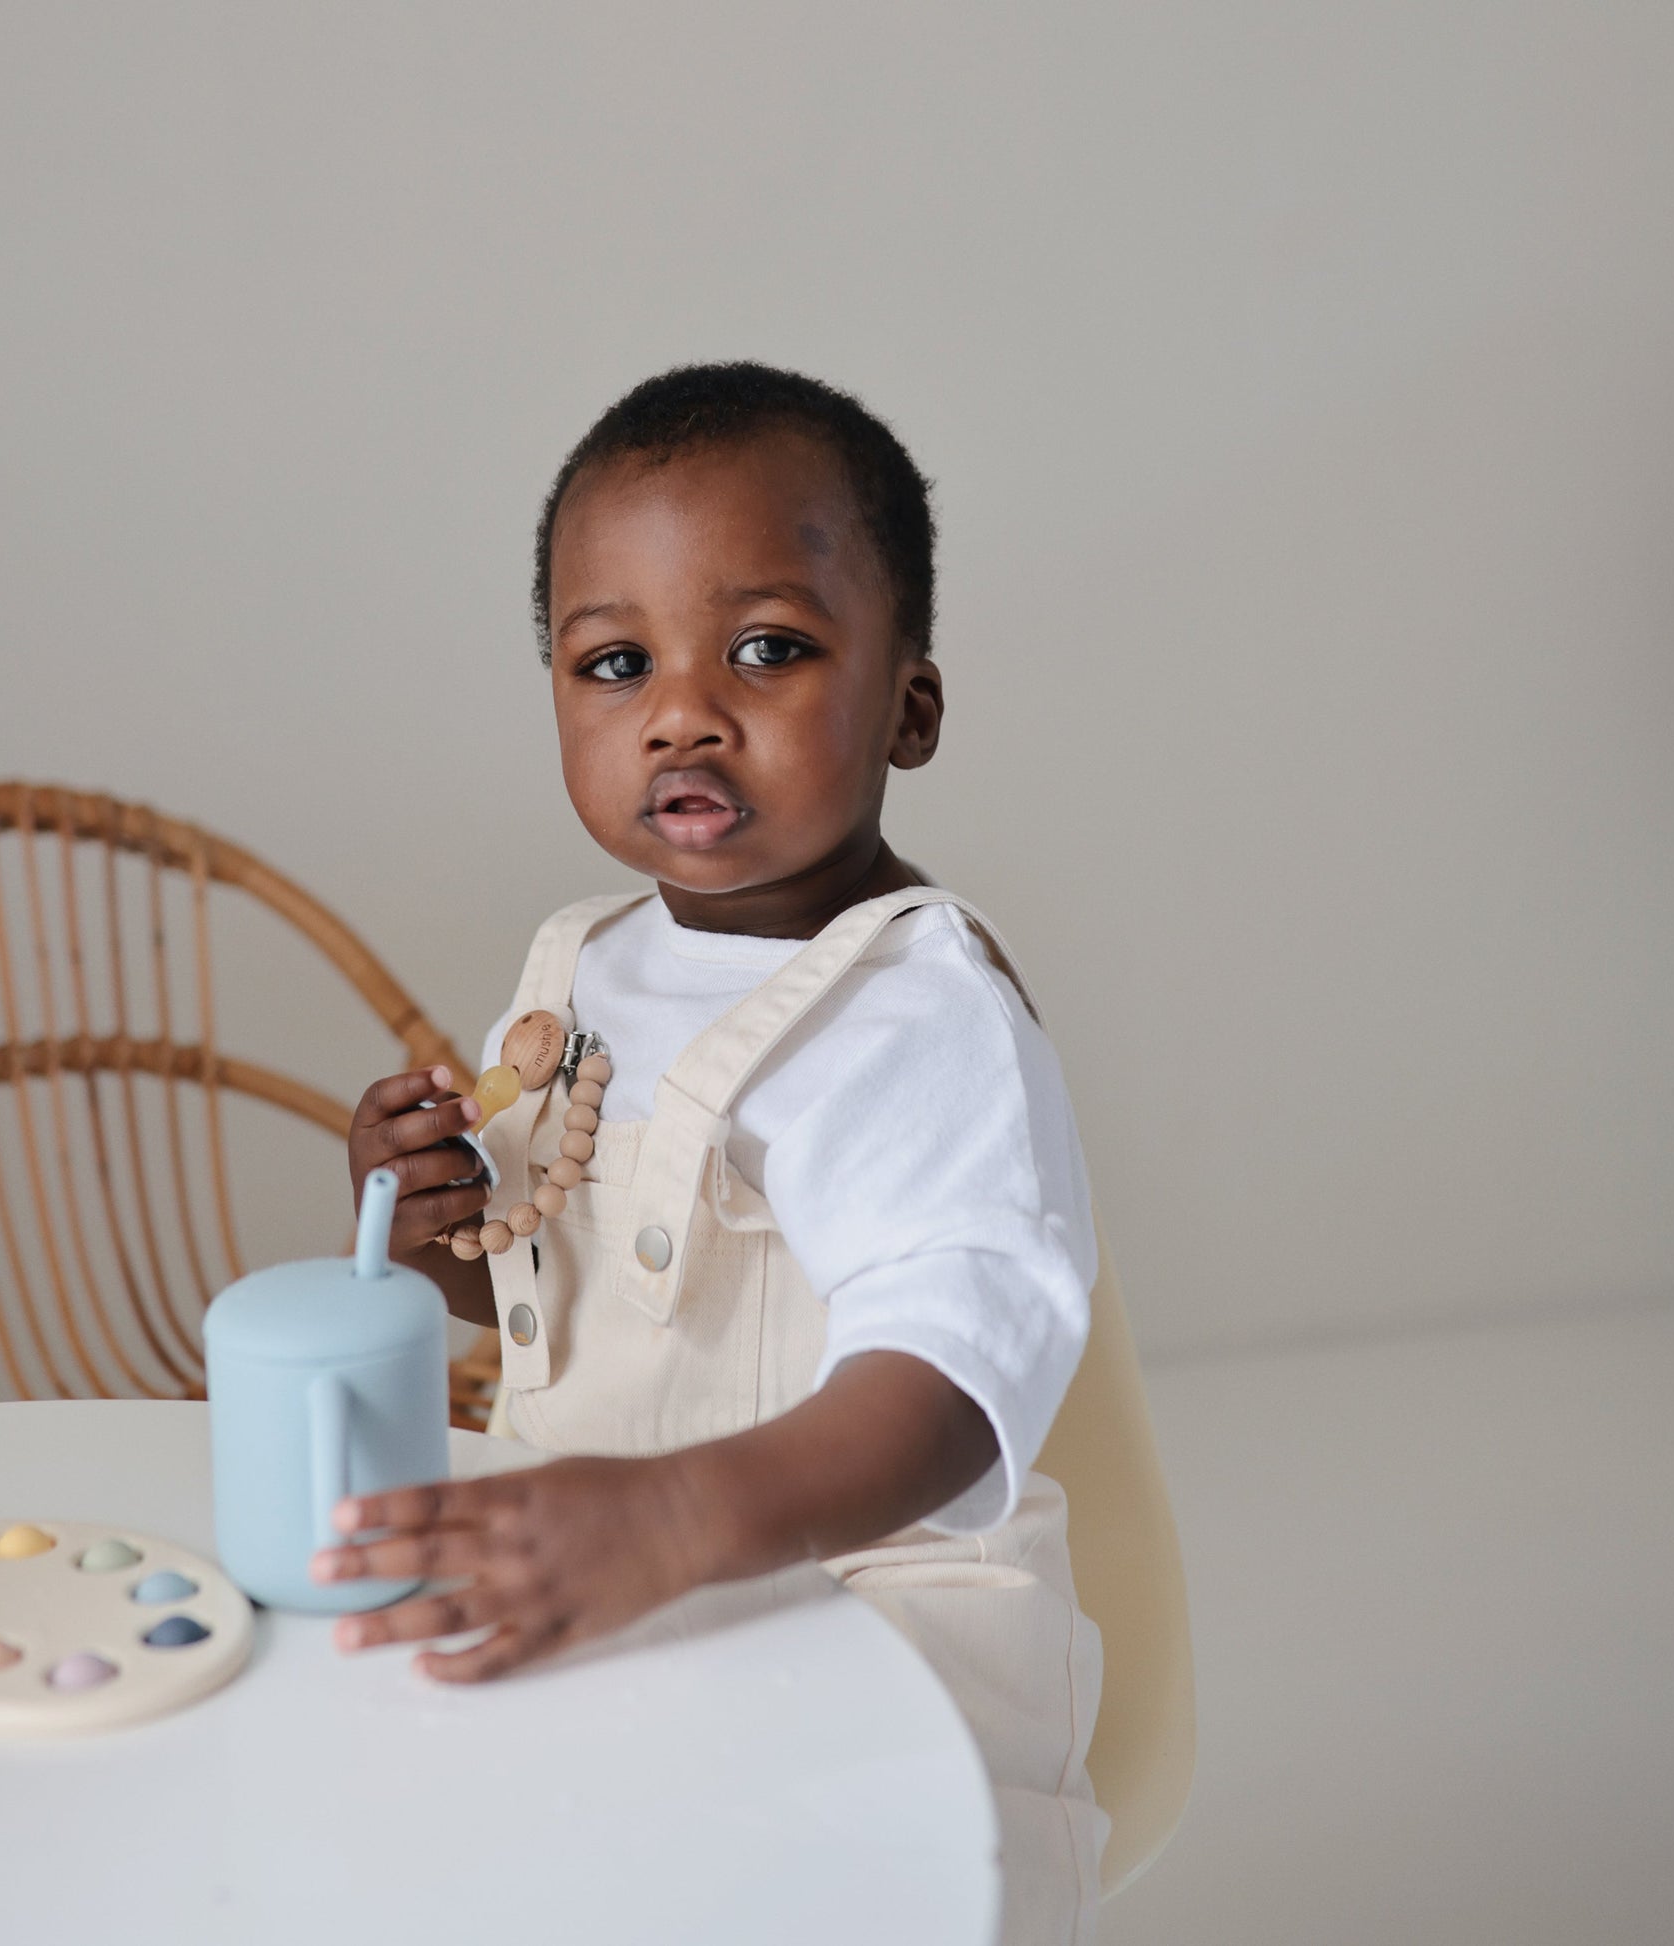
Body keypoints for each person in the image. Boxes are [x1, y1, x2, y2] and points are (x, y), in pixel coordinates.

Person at [318, 362, 1106, 1941]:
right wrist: (431, 1233)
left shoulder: (918, 1014)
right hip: (602, 1562)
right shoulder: (582, 963)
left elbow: (949, 1384)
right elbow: (577, 1295)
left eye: (766, 648)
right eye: (615, 662)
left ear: (907, 704)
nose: (680, 710)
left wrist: (671, 1519)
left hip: (868, 1617)